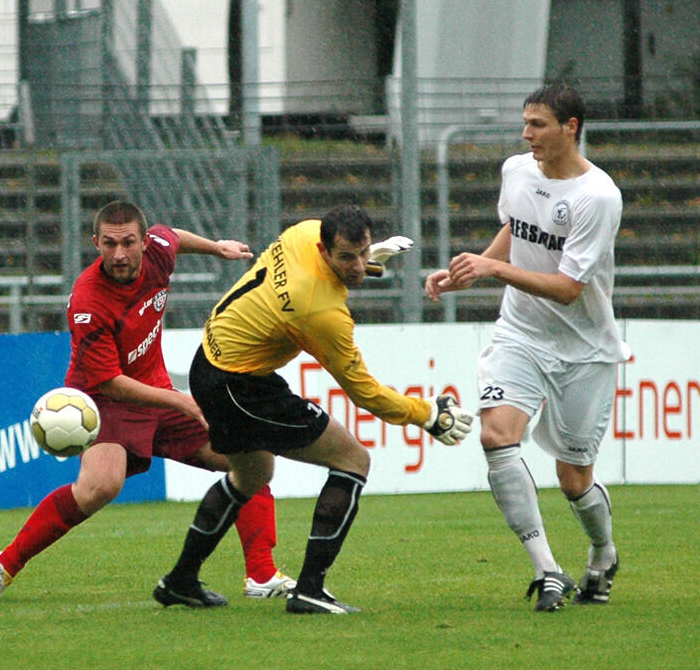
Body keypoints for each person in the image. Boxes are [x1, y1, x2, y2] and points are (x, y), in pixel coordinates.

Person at [0, 200, 295, 606]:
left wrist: (217, 247)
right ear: (96, 243)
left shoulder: (159, 249)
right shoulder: (88, 300)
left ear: (144, 241)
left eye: (128, 243)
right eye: (109, 244)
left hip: (155, 388)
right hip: (105, 400)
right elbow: (111, 382)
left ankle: (261, 573)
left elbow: (174, 235)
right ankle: (3, 565)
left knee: (249, 457)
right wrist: (184, 403)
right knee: (99, 488)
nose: (119, 254)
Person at [152, 204, 473, 614]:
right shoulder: (320, 312)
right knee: (352, 459)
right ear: (325, 252)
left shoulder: (302, 232)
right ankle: (309, 590)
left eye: (364, 252)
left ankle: (180, 580)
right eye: (346, 258)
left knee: (251, 476)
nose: (357, 266)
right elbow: (365, 393)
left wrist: (370, 262)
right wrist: (425, 414)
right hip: (240, 385)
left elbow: (321, 274)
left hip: (212, 361)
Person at [425, 83, 628, 612]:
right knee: (496, 436)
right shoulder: (517, 171)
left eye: (538, 124)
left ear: (571, 127)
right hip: (519, 333)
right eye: (525, 123)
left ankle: (603, 552)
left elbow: (568, 289)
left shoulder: (598, 197)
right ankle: (548, 570)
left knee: (573, 476)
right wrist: (466, 272)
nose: (526, 134)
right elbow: (515, 230)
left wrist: (494, 267)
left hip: (584, 349)